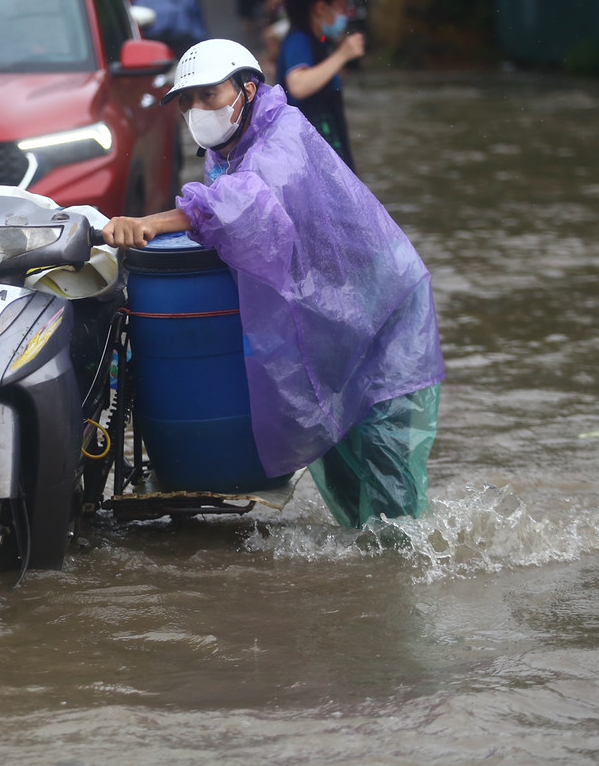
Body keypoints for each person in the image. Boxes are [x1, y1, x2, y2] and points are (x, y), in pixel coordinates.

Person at [103, 39, 444, 528]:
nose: (197, 109)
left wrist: (154, 222)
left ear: (247, 88)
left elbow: (249, 202)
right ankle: (366, 591)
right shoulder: (226, 151)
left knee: (390, 488)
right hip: (327, 316)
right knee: (347, 492)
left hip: (377, 314)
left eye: (209, 94)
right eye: (187, 99)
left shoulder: (282, 135)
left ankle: (411, 580)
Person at [276, 0, 364, 172]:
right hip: (308, 159)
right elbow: (298, 85)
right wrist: (342, 54)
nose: (346, 13)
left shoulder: (319, 42)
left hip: (324, 150)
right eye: (342, 6)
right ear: (321, 8)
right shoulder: (299, 40)